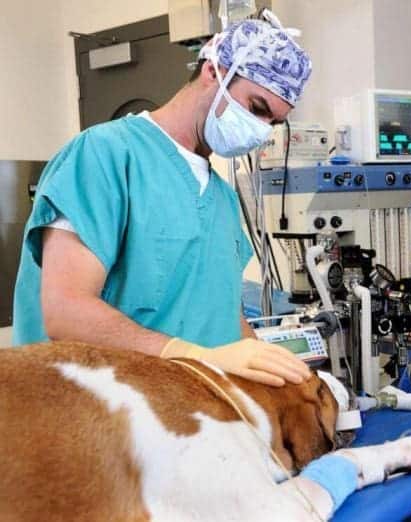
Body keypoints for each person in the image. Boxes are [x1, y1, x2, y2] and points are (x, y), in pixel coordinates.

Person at [13, 17, 312, 387]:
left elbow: (222, 316)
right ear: (214, 71)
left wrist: (276, 375)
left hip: (192, 410)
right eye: (256, 107)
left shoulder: (222, 199)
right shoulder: (104, 155)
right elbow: (66, 312)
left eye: (273, 122)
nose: (261, 129)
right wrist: (194, 356)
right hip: (100, 410)